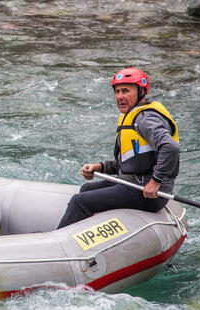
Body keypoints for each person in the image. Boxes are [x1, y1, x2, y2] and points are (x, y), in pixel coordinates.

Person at [56, 67, 181, 229]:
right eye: (117, 92)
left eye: (126, 91)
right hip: (132, 184)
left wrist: (155, 182)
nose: (120, 97)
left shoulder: (145, 118)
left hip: (147, 192)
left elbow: (170, 147)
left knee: (79, 202)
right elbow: (133, 161)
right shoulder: (132, 116)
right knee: (85, 189)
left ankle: (60, 242)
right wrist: (101, 167)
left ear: (141, 92)